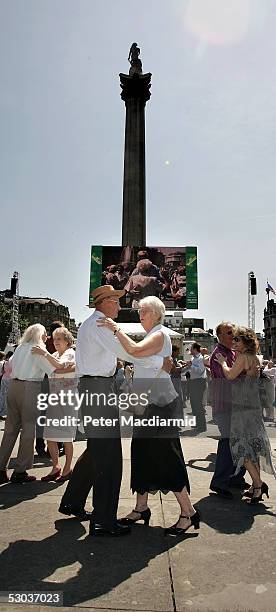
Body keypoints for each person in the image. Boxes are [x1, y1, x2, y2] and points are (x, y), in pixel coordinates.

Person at [59, 285, 172, 537]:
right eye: (116, 301)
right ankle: (103, 520)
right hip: (98, 390)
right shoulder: (101, 323)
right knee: (109, 457)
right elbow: (130, 352)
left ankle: (72, 501)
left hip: (94, 389)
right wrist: (160, 362)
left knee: (96, 450)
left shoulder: (93, 323)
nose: (119, 306)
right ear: (105, 301)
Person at [98, 296, 200, 536]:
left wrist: (115, 328)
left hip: (160, 406)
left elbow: (132, 351)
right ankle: (141, 507)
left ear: (155, 313)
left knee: (167, 456)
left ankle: (189, 512)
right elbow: (135, 355)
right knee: (142, 454)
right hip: (148, 405)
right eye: (140, 312)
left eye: (143, 312)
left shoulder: (160, 334)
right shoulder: (153, 336)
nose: (140, 315)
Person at [216, 327, 276, 503]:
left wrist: (222, 362)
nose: (233, 342)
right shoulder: (255, 357)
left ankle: (258, 486)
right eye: (232, 339)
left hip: (242, 409)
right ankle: (256, 484)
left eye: (237, 340)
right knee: (250, 445)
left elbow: (230, 375)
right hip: (253, 407)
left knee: (241, 448)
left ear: (245, 342)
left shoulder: (243, 357)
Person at [0, 324, 65, 484]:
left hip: (14, 387)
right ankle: (20, 471)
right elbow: (53, 369)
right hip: (30, 388)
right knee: (28, 429)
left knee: (10, 430)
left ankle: (0, 468)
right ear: (39, 335)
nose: (47, 337)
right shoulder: (38, 349)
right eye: (45, 334)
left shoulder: (21, 347)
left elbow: (10, 365)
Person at [32, 327, 77, 482]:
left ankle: (67, 468)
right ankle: (56, 466)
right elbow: (55, 367)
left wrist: (45, 355)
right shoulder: (56, 355)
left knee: (66, 436)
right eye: (54, 339)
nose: (56, 342)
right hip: (55, 399)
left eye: (59, 339)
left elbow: (57, 366)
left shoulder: (71, 353)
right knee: (50, 435)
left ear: (67, 341)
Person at [209, 322, 247, 499]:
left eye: (234, 333)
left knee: (238, 443)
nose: (233, 336)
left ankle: (236, 478)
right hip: (226, 406)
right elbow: (228, 378)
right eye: (229, 333)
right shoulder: (218, 355)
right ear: (220, 336)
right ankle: (220, 481)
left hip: (234, 405)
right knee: (228, 443)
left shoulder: (232, 352)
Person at [182, 343, 207, 433]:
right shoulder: (194, 358)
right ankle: (198, 423)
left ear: (195, 349)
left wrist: (190, 365)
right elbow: (191, 369)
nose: (190, 350)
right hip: (194, 382)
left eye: (191, 349)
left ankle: (202, 426)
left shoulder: (200, 359)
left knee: (198, 404)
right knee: (194, 403)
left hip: (199, 382)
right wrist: (186, 367)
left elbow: (200, 371)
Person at [0, 352, 13, 419]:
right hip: (9, 380)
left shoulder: (4, 362)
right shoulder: (12, 363)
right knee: (7, 396)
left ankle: (1, 411)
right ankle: (4, 412)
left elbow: (2, 372)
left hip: (3, 379)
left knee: (2, 395)